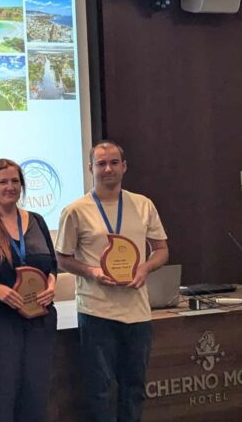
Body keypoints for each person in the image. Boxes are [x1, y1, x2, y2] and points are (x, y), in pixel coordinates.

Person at [55, 140, 169, 422]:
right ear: (90, 168)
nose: (108, 169)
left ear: (124, 166)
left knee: (134, 389)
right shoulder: (75, 210)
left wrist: (145, 268)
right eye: (102, 164)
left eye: (114, 163)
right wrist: (92, 272)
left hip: (137, 312)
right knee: (100, 391)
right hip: (97, 312)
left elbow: (162, 250)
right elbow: (62, 259)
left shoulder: (143, 205)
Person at [0, 158, 57, 422]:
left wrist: (51, 285)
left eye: (15, 181)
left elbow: (51, 265)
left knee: (35, 397)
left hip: (38, 322)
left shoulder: (37, 220)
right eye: (3, 181)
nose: (10, 186)